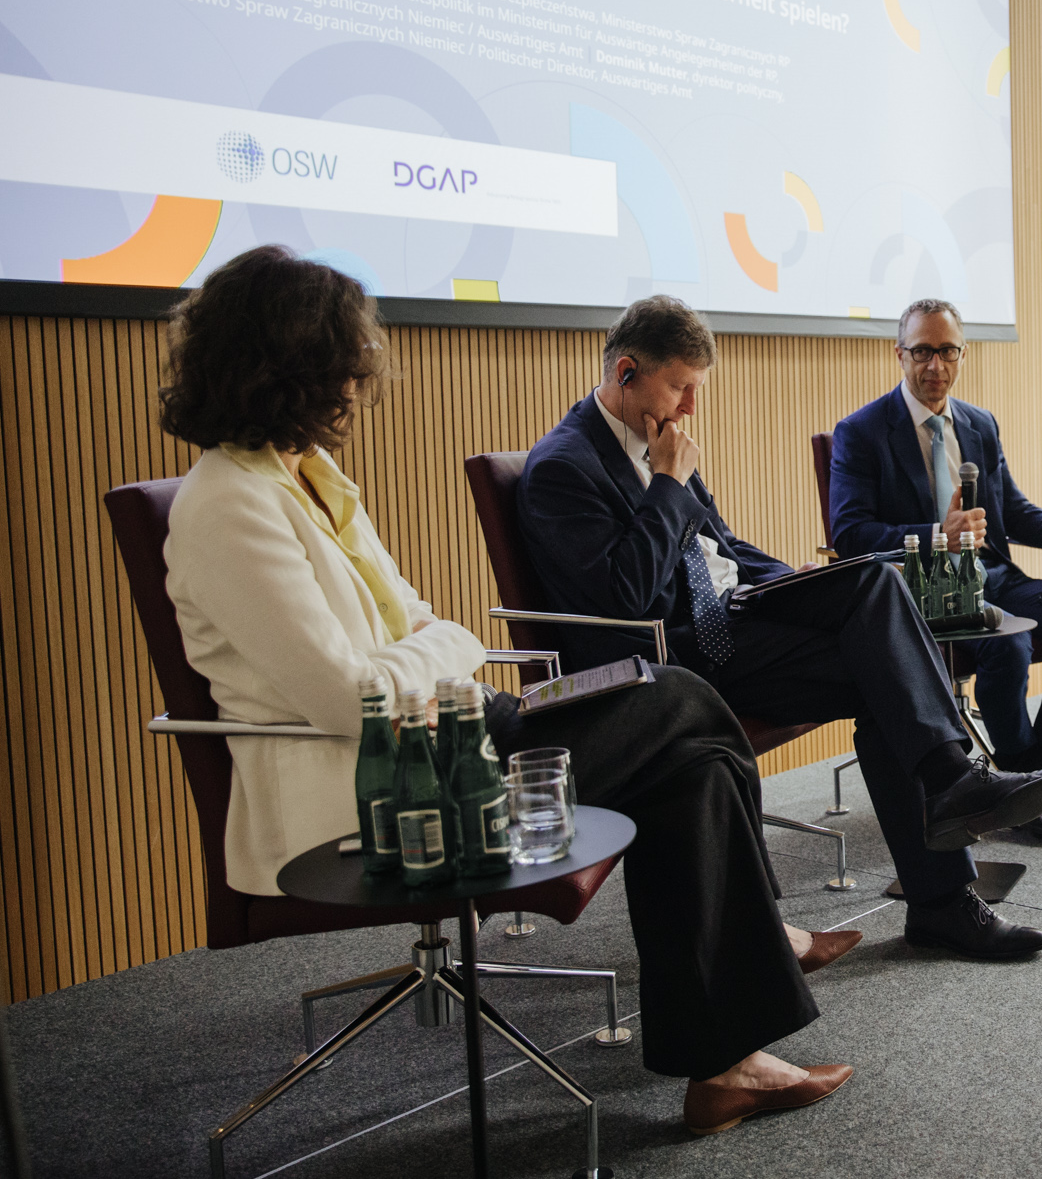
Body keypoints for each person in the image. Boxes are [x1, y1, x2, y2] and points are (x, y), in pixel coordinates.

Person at [159, 246, 853, 1135]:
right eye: (341, 362)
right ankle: (742, 1024)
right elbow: (347, 696)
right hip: (387, 789)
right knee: (680, 701)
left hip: (454, 731)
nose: (355, 384)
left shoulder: (311, 480)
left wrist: (431, 648)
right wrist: (436, 650)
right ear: (284, 365)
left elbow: (425, 623)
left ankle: (725, 1066)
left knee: (693, 767)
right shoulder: (229, 505)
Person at [515, 294, 1042, 958]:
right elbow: (626, 597)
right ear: (627, 370)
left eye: (696, 390)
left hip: (733, 623)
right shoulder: (564, 466)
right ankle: (953, 785)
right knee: (877, 599)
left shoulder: (658, 440)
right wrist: (666, 483)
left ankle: (942, 902)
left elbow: (722, 547)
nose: (689, 407)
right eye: (680, 387)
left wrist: (796, 581)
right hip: (673, 660)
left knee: (878, 627)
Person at [828, 299, 1042, 841]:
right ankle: (1021, 783)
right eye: (922, 351)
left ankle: (1037, 766)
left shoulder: (978, 423)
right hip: (923, 588)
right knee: (1008, 643)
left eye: (947, 352)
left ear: (962, 355)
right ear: (899, 355)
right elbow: (850, 534)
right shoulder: (862, 431)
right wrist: (934, 535)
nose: (935, 365)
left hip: (993, 575)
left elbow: (1013, 510)